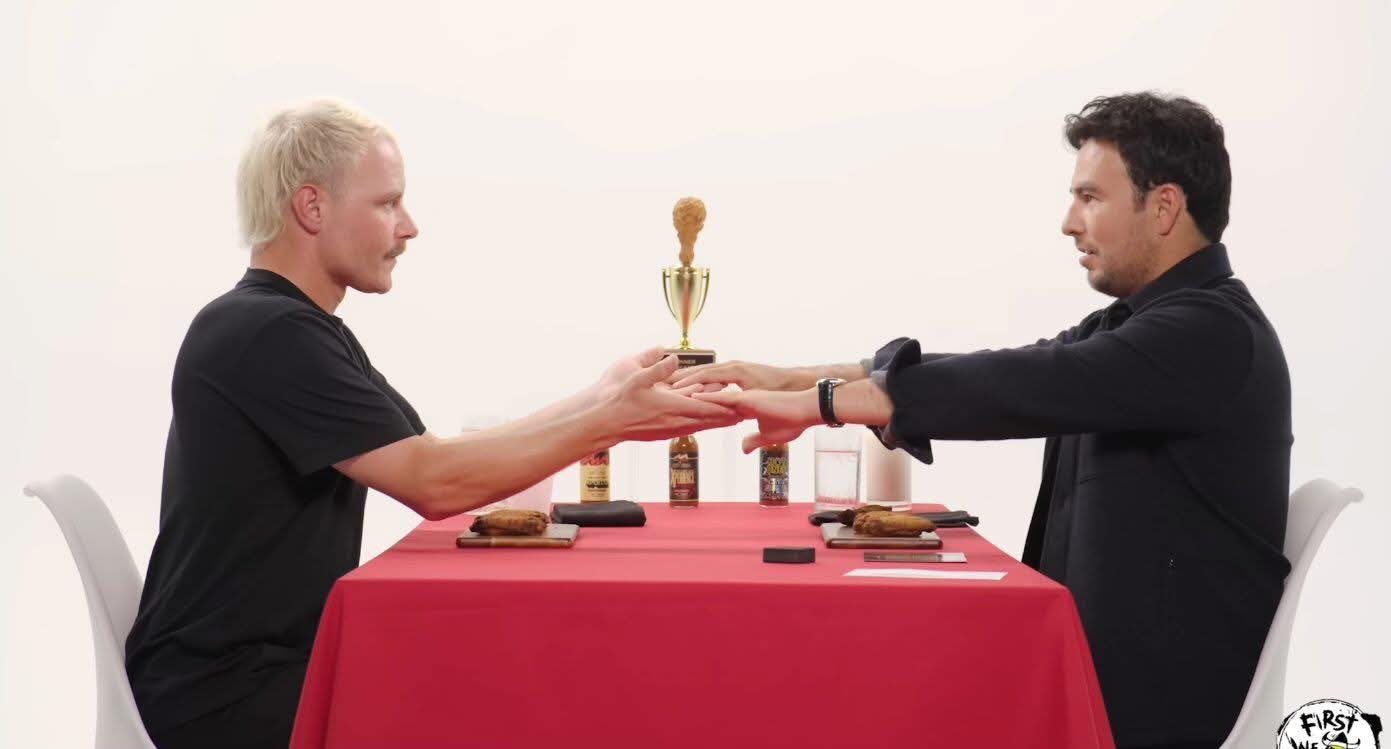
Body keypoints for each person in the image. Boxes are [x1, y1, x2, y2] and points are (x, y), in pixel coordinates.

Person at [677, 92, 1292, 749]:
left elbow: (1026, 384)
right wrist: (796, 378)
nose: (1069, 222)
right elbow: (1013, 366)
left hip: (1153, 717)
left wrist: (821, 405)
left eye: (1090, 197)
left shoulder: (1208, 334)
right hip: (1100, 687)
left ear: (1164, 206)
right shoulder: (1144, 324)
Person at [124, 98, 737, 749]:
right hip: (228, 696)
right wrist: (607, 422)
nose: (409, 226)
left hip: (261, 674)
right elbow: (436, 483)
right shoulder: (266, 333)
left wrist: (603, 398)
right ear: (312, 208)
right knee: (505, 701)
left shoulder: (295, 327)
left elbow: (437, 455)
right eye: (387, 203)